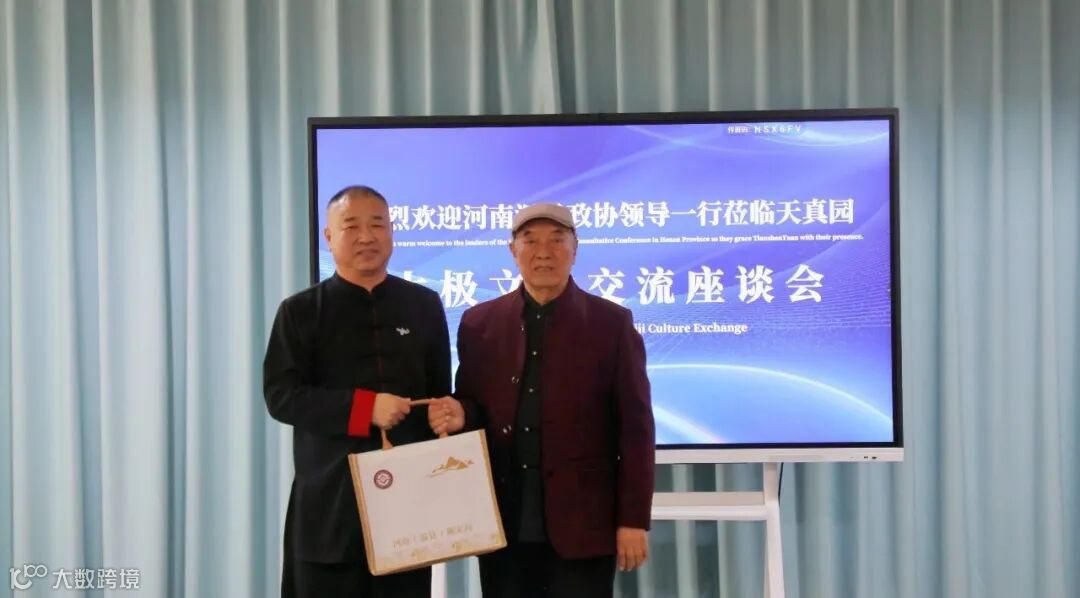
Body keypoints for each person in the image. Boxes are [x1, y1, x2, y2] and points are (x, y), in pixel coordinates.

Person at [428, 203, 655, 598]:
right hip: (504, 523)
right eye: (530, 241)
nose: (543, 252)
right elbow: (474, 405)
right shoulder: (480, 323)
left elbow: (636, 430)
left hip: (584, 524)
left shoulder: (611, 323)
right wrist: (462, 413)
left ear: (575, 248)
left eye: (556, 240)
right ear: (512, 250)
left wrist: (633, 520)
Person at [263, 185, 450, 598]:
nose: (367, 236)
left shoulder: (423, 304)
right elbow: (281, 395)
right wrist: (364, 408)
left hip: (408, 506)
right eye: (351, 226)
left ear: (392, 232)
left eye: (377, 224)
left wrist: (448, 412)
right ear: (329, 237)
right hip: (330, 502)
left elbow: (440, 392)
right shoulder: (300, 311)